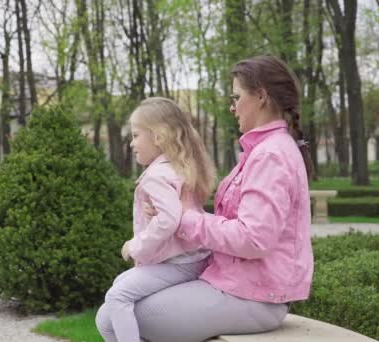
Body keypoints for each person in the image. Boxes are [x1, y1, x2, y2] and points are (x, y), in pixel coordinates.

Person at [96, 55, 315, 342]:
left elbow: (254, 239)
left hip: (255, 295)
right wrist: (179, 215)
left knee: (115, 317)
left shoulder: (271, 154)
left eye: (236, 97)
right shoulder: (262, 150)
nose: (231, 106)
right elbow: (239, 225)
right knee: (111, 312)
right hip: (235, 284)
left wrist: (184, 219)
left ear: (261, 96)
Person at [100, 97, 216, 342]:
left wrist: (135, 246)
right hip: (194, 259)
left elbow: (169, 219)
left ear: (158, 136)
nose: (131, 144)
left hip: (178, 264)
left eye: (135, 135)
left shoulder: (156, 175)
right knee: (121, 283)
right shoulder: (181, 169)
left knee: (117, 296)